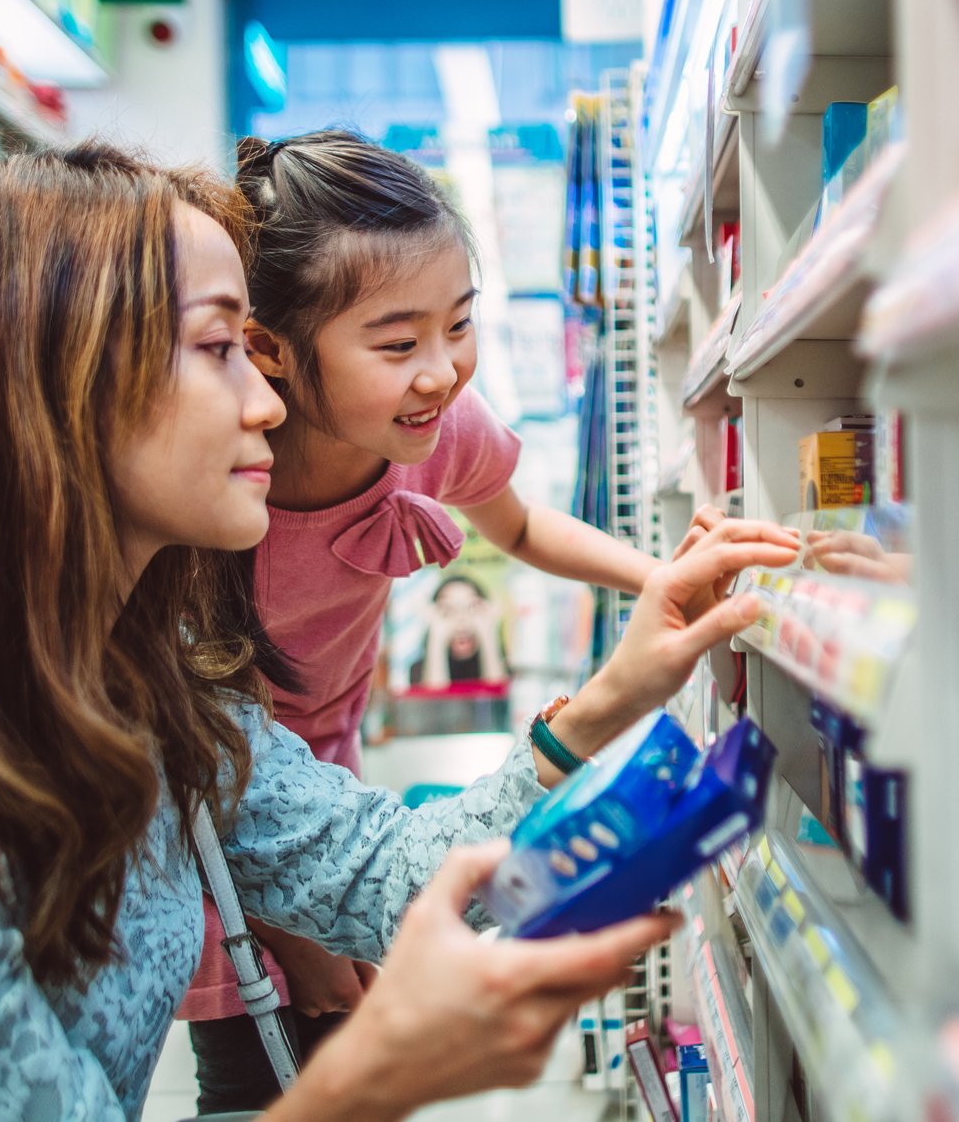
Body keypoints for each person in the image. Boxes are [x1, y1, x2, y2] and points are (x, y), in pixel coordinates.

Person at [0, 145, 795, 1121]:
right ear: (46, 395)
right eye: (219, 351)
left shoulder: (140, 702)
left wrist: (617, 696)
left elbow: (378, 871)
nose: (265, 401)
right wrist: (367, 1083)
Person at [178, 129, 795, 1110]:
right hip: (211, 803)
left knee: (350, 1021)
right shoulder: (215, 492)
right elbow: (225, 784)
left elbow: (518, 524)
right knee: (263, 1053)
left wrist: (661, 576)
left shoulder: (426, 426)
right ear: (269, 354)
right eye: (396, 343)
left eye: (457, 325)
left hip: (325, 779)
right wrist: (295, 928)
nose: (442, 370)